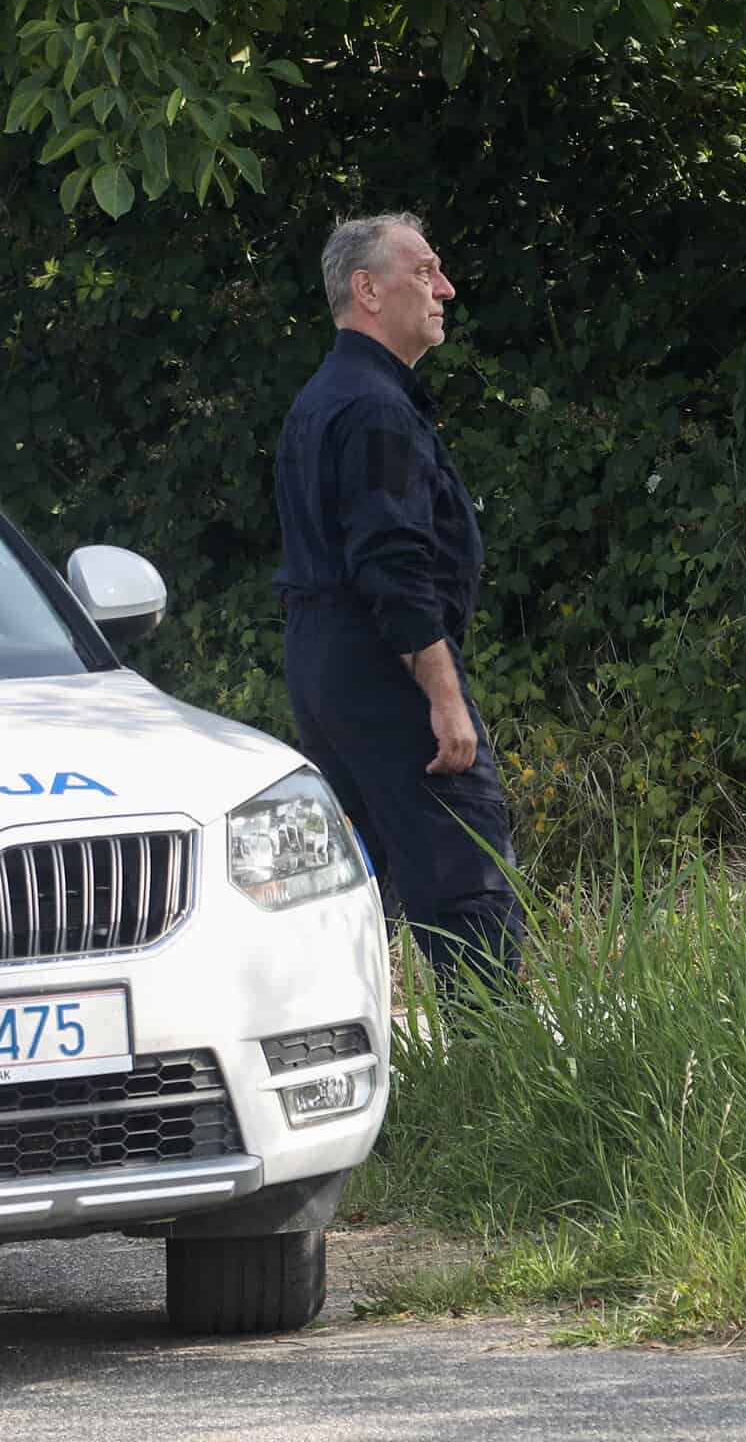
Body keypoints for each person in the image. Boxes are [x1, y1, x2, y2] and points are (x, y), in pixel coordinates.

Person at [273, 213, 521, 992]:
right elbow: (392, 565)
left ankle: (338, 1068)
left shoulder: (323, 397)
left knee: (349, 886)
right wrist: (443, 698)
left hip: (327, 666)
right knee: (466, 871)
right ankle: (498, 1068)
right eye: (424, 271)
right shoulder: (374, 408)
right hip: (382, 667)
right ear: (366, 290)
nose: (443, 288)